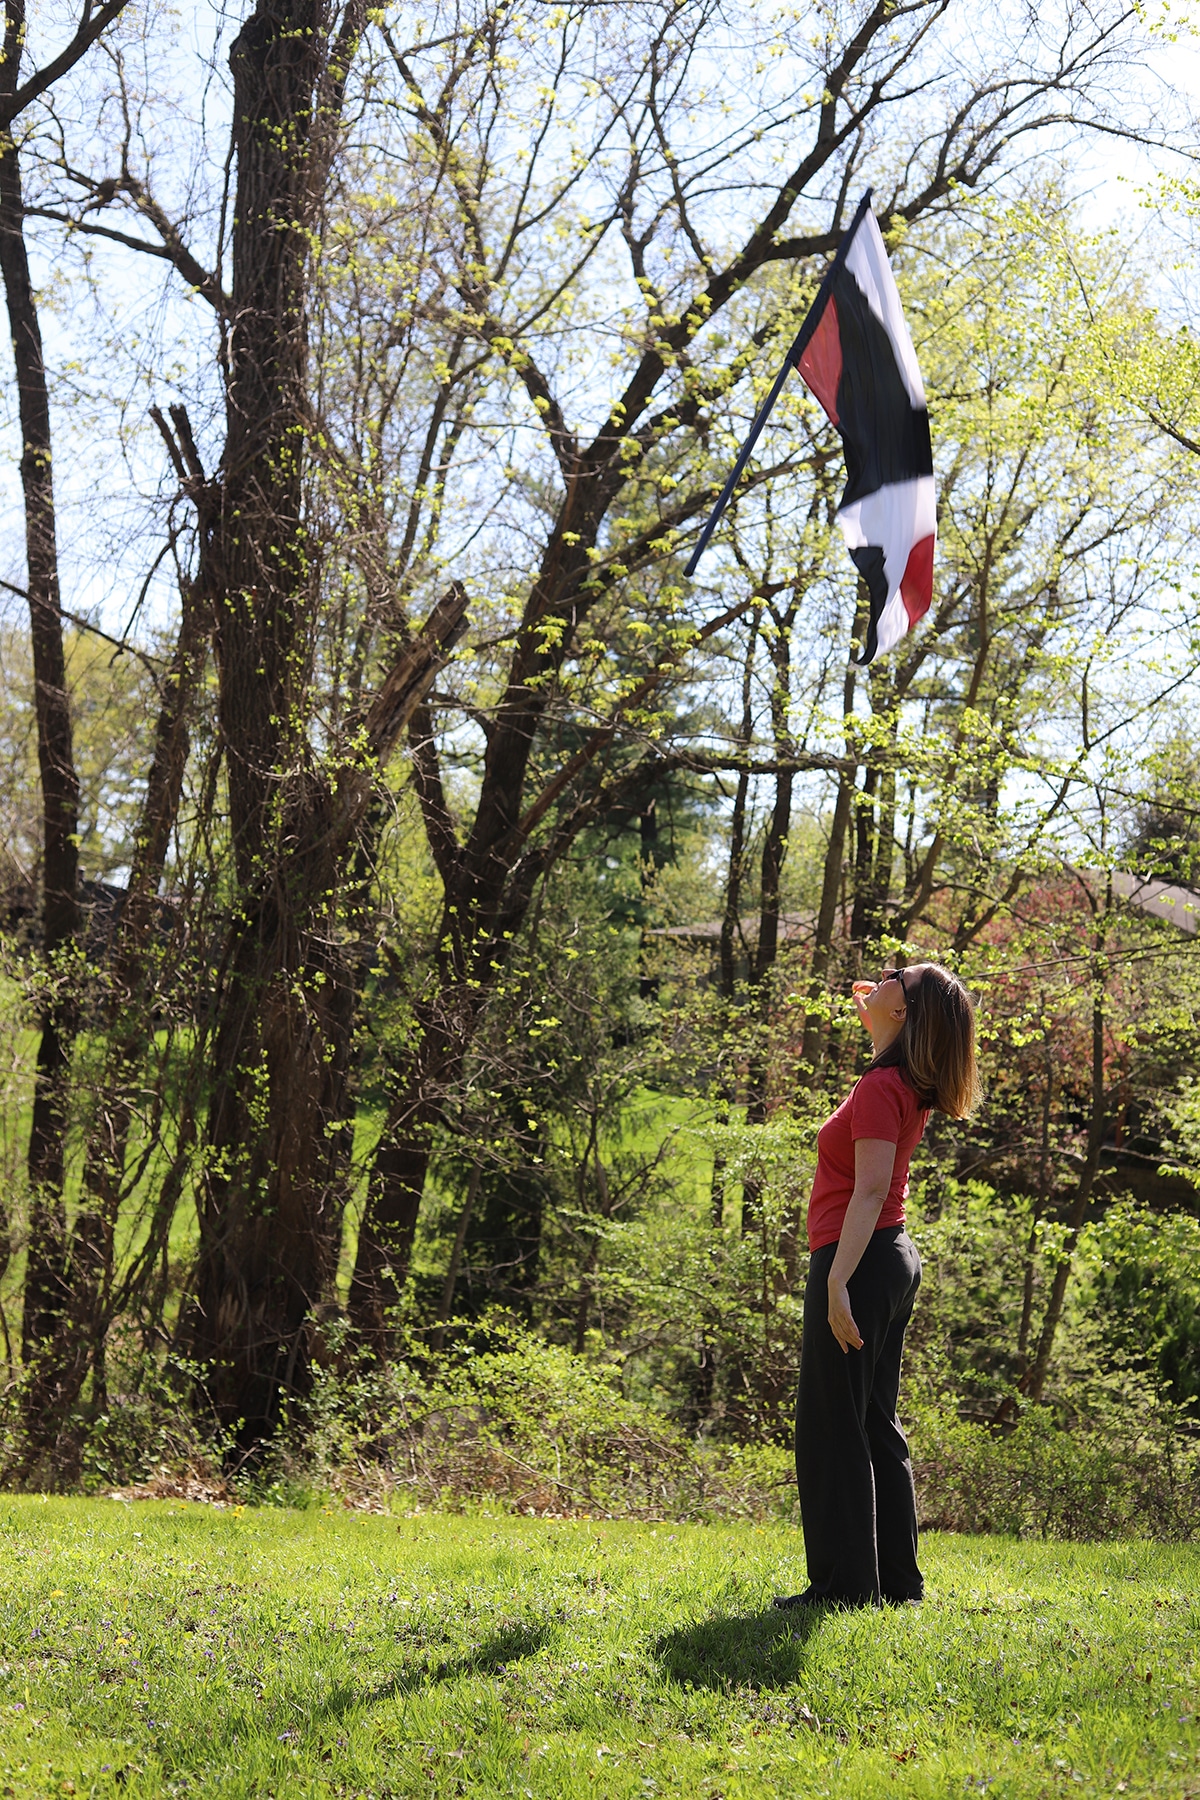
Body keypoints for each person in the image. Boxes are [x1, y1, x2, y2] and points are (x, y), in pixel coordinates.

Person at [774, 963, 980, 1611]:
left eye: (897, 974)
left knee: (831, 1426)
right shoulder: (898, 1081)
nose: (881, 974)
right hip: (891, 1257)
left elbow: (866, 1190)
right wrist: (886, 1005)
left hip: (857, 1258)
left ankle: (842, 1587)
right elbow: (886, 1026)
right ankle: (896, 1584)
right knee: (872, 1423)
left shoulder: (878, 1090)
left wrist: (836, 1280)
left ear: (904, 1012)